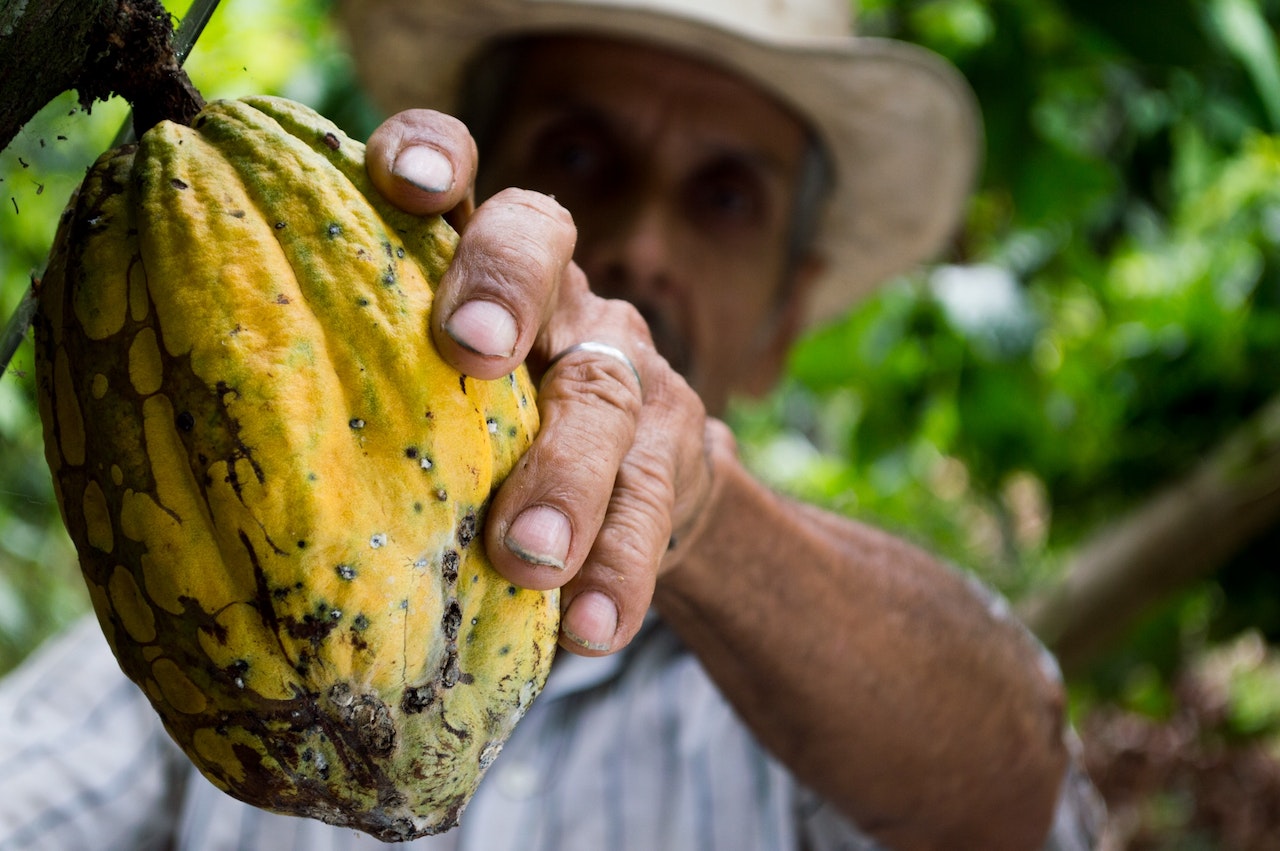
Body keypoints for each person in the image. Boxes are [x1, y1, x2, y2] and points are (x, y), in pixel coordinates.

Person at [0, 0, 1105, 848]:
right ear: (451, 192)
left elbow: (1015, 783)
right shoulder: (197, 584)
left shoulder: (821, 709)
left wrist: (699, 510)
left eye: (724, 195)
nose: (640, 243)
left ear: (785, 316)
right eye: (578, 157)